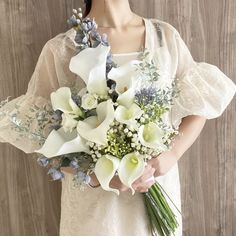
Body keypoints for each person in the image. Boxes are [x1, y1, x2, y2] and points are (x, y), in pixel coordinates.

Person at [0, 0, 235, 235]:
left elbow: (201, 103)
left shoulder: (164, 38)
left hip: (155, 185)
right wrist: (99, 175)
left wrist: (172, 154)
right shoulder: (62, 49)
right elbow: (42, 136)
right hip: (95, 211)